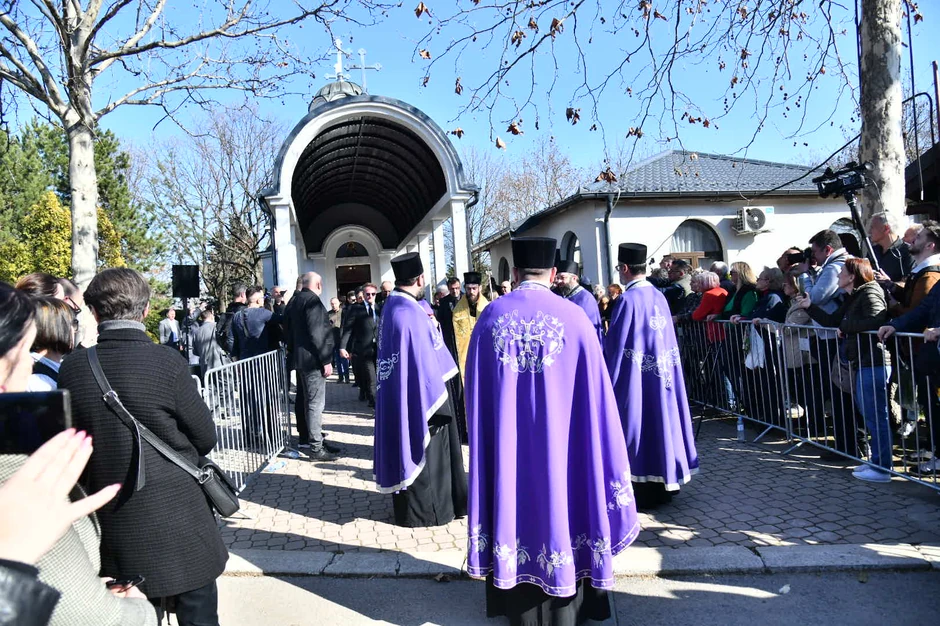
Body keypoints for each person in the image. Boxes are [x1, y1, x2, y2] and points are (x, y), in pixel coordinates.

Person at [464, 237, 639, 626]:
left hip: (509, 452)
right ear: (555, 274)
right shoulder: (575, 318)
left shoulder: (491, 318)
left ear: (513, 272)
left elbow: (474, 394)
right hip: (566, 452)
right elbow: (599, 400)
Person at [57, 268, 226, 625]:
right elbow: (206, 437)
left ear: (95, 313)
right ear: (146, 311)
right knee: (199, 617)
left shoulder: (72, 369)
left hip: (114, 521)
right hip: (181, 520)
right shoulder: (168, 363)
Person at [373, 253, 467, 528]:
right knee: (429, 449)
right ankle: (432, 512)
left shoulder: (393, 306)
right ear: (420, 279)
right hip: (424, 399)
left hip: (405, 392)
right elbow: (423, 364)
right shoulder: (410, 313)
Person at [604, 243, 699, 507]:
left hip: (637, 380)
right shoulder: (659, 296)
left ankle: (643, 487)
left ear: (624, 269)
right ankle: (666, 483)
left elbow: (617, 346)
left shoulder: (626, 300)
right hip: (664, 375)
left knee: (639, 426)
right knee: (663, 424)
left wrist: (607, 380)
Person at [796, 258, 892, 482]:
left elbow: (876, 320)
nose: (837, 276)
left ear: (852, 276)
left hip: (874, 360)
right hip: (862, 361)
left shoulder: (869, 292)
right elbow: (832, 320)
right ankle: (876, 462)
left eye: (841, 273)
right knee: (870, 415)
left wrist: (845, 328)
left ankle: (882, 468)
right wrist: (810, 307)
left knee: (876, 416)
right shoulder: (854, 296)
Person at [284, 272, 338, 460]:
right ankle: (316, 447)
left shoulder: (296, 300)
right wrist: (326, 360)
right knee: (315, 404)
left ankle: (313, 439)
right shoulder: (312, 301)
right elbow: (317, 333)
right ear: (318, 284)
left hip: (300, 359)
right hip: (313, 361)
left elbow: (288, 330)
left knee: (308, 401)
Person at [887, 220, 940, 318]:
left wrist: (894, 305)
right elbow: (911, 297)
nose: (912, 240)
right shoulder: (923, 271)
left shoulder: (929, 277)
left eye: (918, 237)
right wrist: (892, 286)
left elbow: (916, 315)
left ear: (929, 246)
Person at [341, 283, 379, 408]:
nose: (370, 296)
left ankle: (377, 400)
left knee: (380, 377)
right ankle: (375, 404)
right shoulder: (356, 309)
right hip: (364, 350)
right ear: (363, 295)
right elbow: (348, 329)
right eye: (367, 294)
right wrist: (343, 347)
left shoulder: (380, 308)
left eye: (373, 294)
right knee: (371, 378)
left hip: (379, 350)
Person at [27, 298, 75, 392]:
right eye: (72, 324)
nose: (74, 330)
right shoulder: (39, 380)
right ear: (56, 327)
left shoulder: (53, 366)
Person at [555, 257, 604, 344]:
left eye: (562, 278)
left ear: (574, 278)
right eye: (557, 278)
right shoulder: (558, 294)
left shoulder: (586, 299)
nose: (558, 281)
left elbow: (591, 330)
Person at [452, 272, 490, 381]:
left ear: (480, 288)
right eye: (468, 288)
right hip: (466, 352)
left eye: (474, 288)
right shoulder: (457, 311)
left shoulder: (487, 308)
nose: (471, 292)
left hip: (482, 350)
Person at [228, 286, 278, 360]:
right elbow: (283, 320)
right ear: (258, 301)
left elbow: (231, 340)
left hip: (244, 361)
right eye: (262, 298)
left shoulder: (236, 316)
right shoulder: (263, 313)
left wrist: (235, 360)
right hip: (263, 360)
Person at [868, 212, 913, 283]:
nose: (869, 232)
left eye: (872, 227)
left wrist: (888, 282)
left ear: (886, 228)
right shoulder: (872, 251)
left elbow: (909, 285)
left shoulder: (908, 252)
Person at [192, 306, 228, 378]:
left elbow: (195, 352)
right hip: (219, 362)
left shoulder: (196, 332)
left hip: (204, 365)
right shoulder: (216, 327)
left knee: (209, 386)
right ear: (211, 316)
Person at [219, 283, 248, 355]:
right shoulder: (243, 311)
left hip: (229, 351)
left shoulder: (228, 310)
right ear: (242, 294)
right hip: (240, 351)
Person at [328, 297, 349, 383]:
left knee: (344, 360)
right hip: (334, 340)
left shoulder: (344, 312)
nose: (333, 305)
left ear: (339, 303)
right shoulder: (328, 314)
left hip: (343, 340)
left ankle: (347, 377)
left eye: (335, 303)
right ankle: (340, 377)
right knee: (338, 361)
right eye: (332, 304)